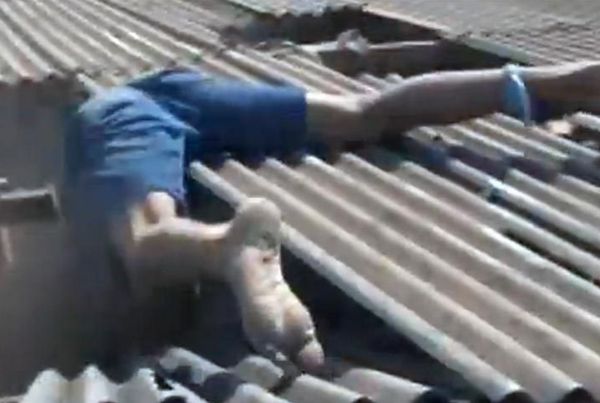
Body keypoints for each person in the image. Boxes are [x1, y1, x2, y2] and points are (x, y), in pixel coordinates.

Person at [63, 62, 600, 374]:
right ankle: (548, 81)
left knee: (141, 238)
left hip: (122, 110)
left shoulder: (104, 127)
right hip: (185, 86)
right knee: (364, 113)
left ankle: (228, 247)